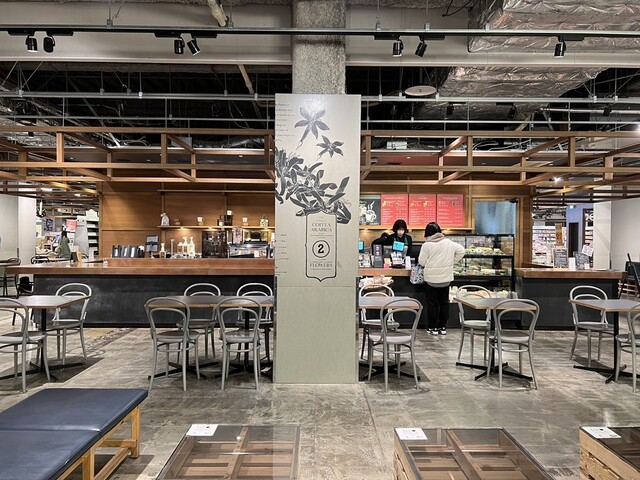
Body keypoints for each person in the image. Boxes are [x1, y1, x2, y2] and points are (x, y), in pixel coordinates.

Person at [418, 222, 465, 335]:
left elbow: (421, 262)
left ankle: (432, 327)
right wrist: (452, 261)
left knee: (432, 304)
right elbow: (462, 251)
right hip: (445, 279)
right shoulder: (449, 243)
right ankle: (442, 327)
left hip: (431, 280)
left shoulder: (427, 245)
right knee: (444, 303)